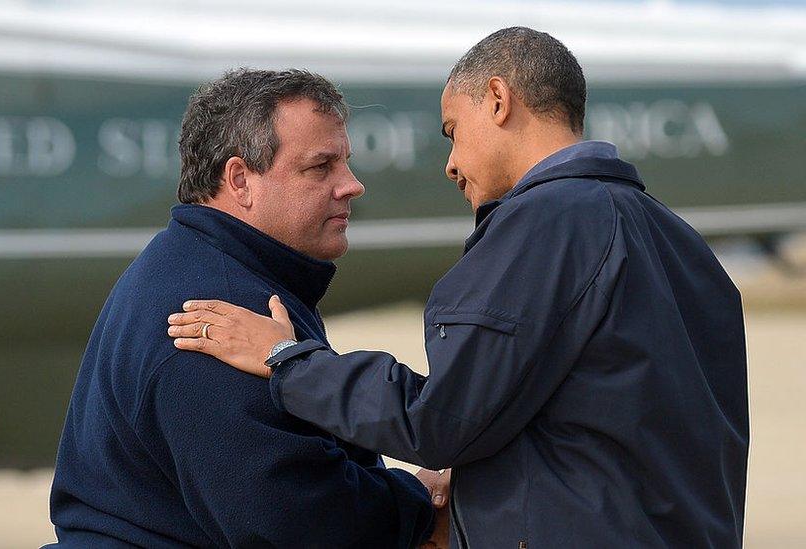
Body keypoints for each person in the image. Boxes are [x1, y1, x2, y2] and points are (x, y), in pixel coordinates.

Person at [168, 28, 749, 548]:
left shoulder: (545, 223)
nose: (451, 163)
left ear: (498, 101)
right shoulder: (682, 243)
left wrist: (288, 360)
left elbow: (437, 422)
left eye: (453, 131)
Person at [46, 68, 439, 548]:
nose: (351, 185)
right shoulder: (214, 313)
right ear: (240, 180)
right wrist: (421, 506)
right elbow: (295, 524)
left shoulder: (204, 268)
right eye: (321, 167)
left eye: (346, 164)